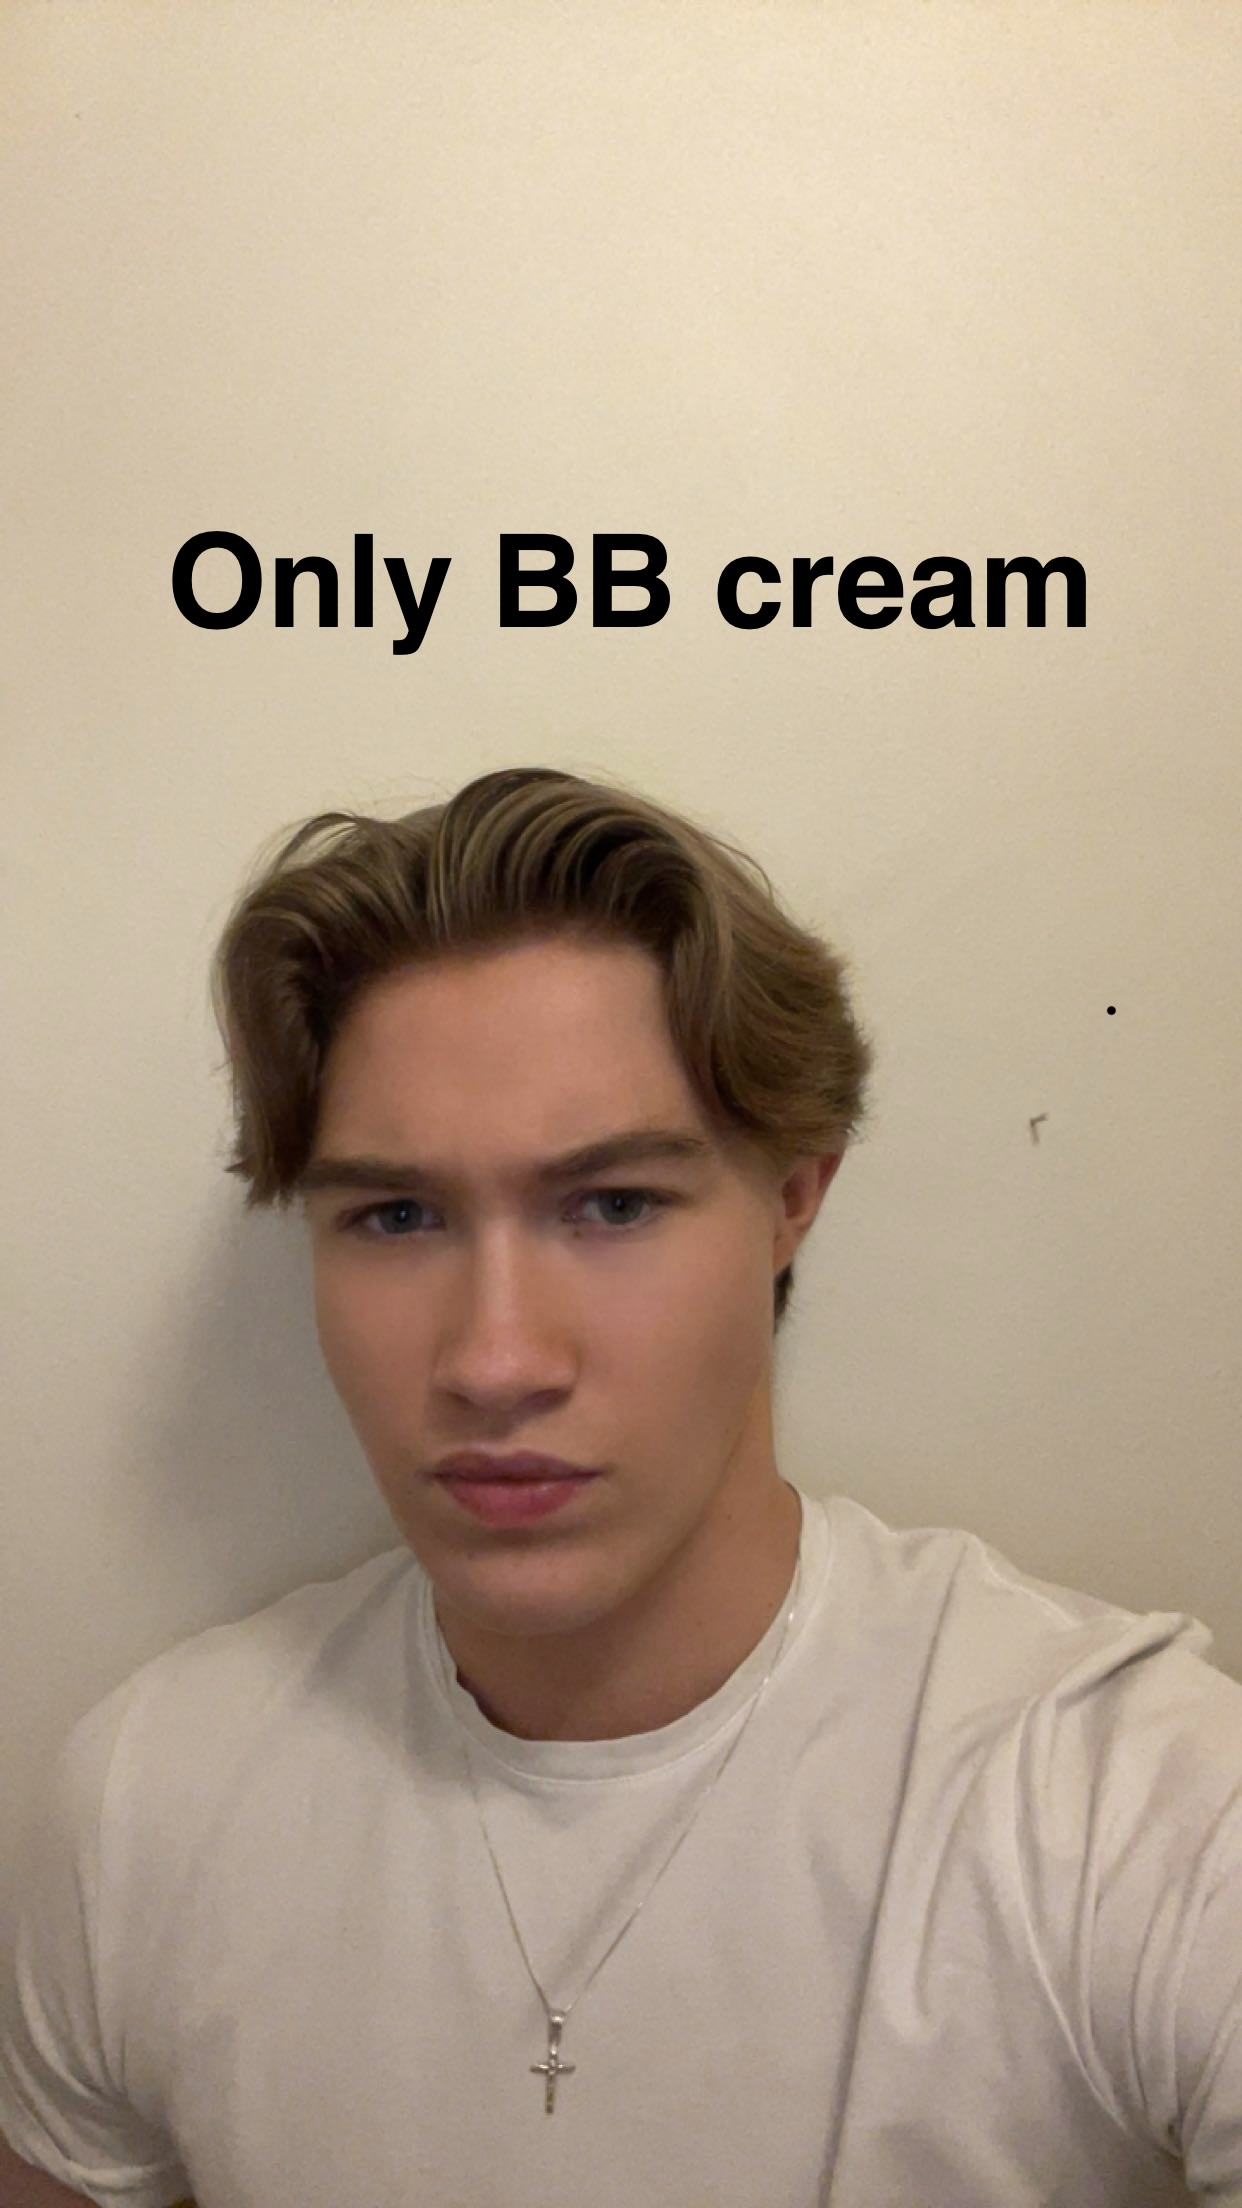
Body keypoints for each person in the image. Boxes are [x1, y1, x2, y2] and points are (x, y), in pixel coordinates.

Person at [1, 765, 1239, 2208]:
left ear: (792, 1199)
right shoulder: (150, 1803)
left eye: (613, 1203)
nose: (494, 1360)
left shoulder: (1123, 1804)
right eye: (395, 1215)